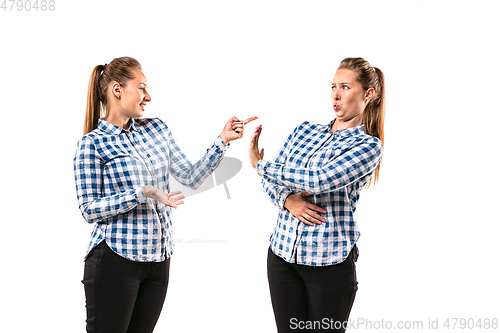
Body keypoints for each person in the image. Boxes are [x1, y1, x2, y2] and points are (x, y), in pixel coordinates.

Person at [74, 56, 257, 333]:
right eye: (142, 88)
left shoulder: (156, 129)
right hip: (114, 260)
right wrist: (142, 193)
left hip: (158, 261)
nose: (148, 96)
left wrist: (222, 140)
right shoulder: (92, 144)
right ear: (117, 90)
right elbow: (89, 209)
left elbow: (191, 177)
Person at [248, 57, 385, 332]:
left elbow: (319, 180)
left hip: (329, 263)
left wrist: (260, 165)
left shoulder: (368, 145)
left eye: (345, 87)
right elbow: (271, 181)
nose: (335, 94)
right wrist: (287, 201)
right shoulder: (304, 131)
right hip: (282, 256)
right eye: (333, 86)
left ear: (368, 94)